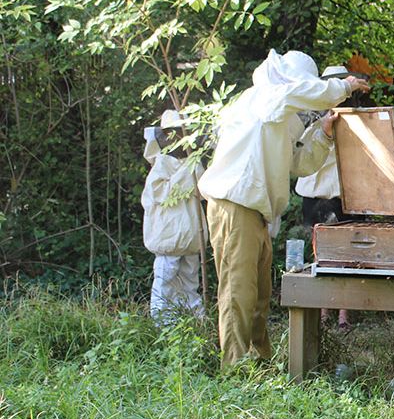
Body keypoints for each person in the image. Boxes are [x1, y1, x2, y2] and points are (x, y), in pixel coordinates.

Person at [198, 49, 369, 368]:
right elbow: (298, 93)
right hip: (235, 206)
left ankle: (258, 363)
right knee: (239, 292)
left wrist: (323, 133)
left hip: (252, 211)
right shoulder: (261, 98)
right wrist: (343, 87)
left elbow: (300, 163)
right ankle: (234, 369)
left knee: (260, 293)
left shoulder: (278, 114)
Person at [294, 65, 370, 330]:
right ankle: (323, 311)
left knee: (347, 254)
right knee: (320, 255)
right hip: (315, 194)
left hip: (346, 193)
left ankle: (343, 315)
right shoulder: (311, 115)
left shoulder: (357, 118)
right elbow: (304, 153)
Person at [141, 110, 206, 323]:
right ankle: (162, 328)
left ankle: (196, 326)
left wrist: (192, 168)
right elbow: (160, 194)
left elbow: (204, 191)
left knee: (190, 285)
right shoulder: (161, 163)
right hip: (168, 239)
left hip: (190, 239)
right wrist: (188, 172)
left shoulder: (194, 162)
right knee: (164, 285)